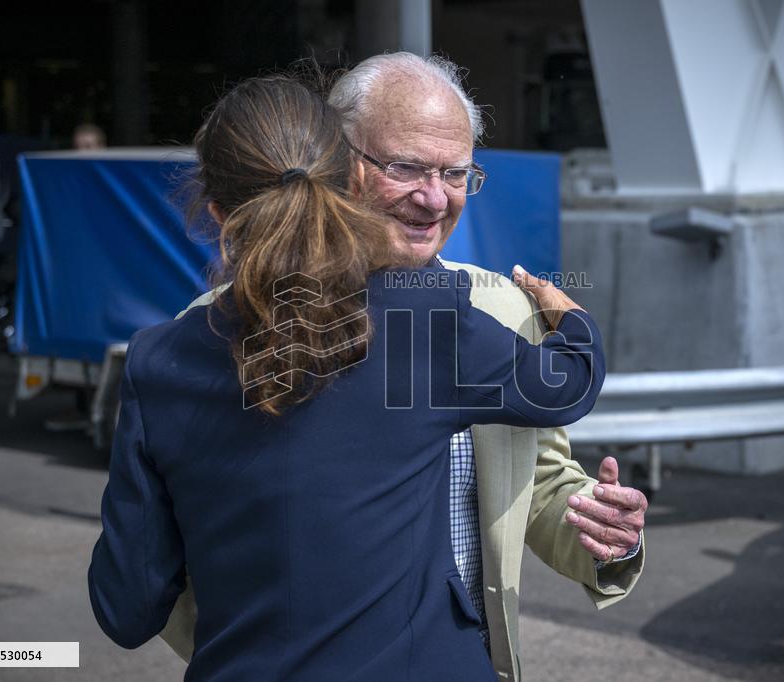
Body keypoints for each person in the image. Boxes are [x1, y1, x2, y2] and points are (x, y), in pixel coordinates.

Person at [88, 75, 605, 680]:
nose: (434, 198)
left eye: (456, 174)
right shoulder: (428, 319)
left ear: (218, 213)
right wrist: (573, 321)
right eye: (406, 167)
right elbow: (570, 382)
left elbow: (127, 609)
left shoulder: (160, 360)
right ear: (349, 178)